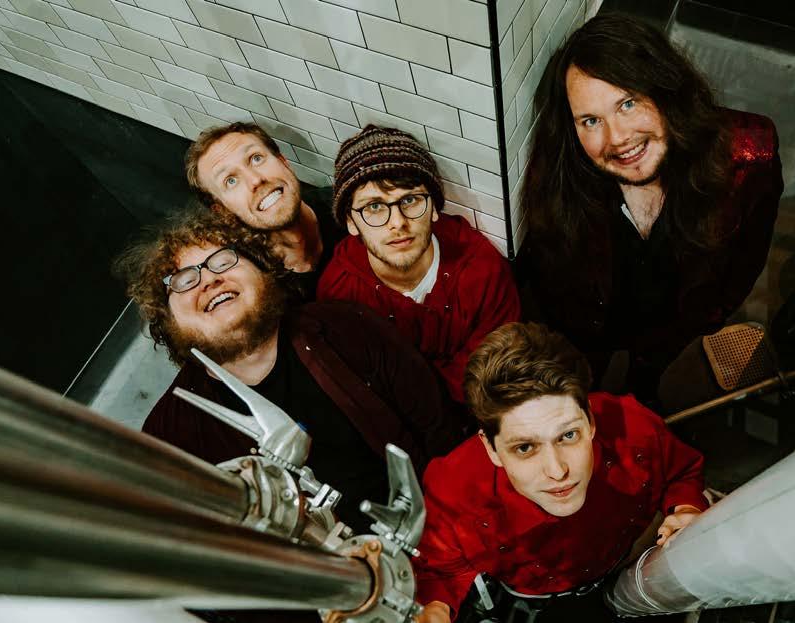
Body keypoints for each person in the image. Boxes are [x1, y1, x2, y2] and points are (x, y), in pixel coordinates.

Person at [115, 211, 462, 535]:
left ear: (262, 269)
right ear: (167, 319)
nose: (208, 280)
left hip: (436, 534)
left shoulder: (347, 327)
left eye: (223, 260)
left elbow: (444, 438)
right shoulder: (172, 435)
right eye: (184, 280)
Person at [516, 14, 783, 400]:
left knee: (648, 378)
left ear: (666, 90)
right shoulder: (563, 171)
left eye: (627, 104)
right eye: (591, 120)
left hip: (676, 321)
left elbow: (750, 252)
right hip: (591, 325)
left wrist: (714, 312)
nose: (617, 138)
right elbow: (548, 266)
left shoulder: (749, 156)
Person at [414, 322, 708, 622]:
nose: (558, 471)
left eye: (568, 435)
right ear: (491, 448)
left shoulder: (634, 428)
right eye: (525, 448)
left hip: (621, 564)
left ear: (590, 421)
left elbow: (680, 472)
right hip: (531, 598)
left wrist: (686, 507)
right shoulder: (452, 489)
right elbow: (438, 570)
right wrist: (435, 607)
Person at [317, 125, 521, 404]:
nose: (397, 222)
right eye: (374, 206)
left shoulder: (482, 268)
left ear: (434, 207)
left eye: (410, 200)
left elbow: (498, 367)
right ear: (351, 222)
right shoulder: (339, 293)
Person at [185, 122, 344, 297]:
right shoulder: (251, 283)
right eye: (231, 180)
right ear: (223, 210)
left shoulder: (347, 207)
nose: (255, 180)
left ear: (283, 161)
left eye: (256, 158)